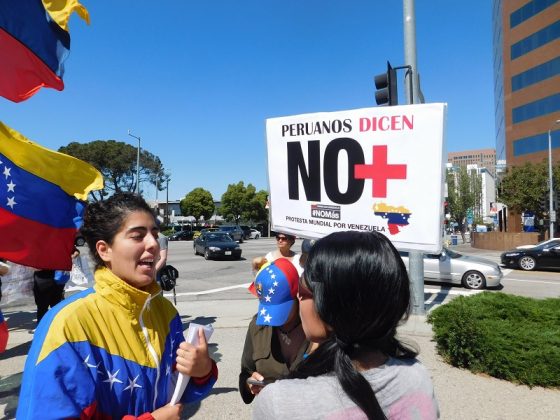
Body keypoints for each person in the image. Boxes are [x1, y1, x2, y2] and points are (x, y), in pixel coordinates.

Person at [18, 193, 217, 419]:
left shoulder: (166, 312)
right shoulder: (67, 324)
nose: (153, 243)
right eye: (137, 236)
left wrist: (201, 371)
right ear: (104, 250)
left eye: (154, 234)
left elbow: (175, 392)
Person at [253, 231, 439, 419]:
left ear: (329, 303)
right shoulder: (417, 376)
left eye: (302, 288)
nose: (298, 297)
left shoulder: (279, 402)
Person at [240, 258, 310, 404]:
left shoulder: (314, 329)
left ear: (297, 295)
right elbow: (245, 373)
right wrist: (249, 384)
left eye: (279, 309)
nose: (271, 318)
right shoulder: (258, 326)